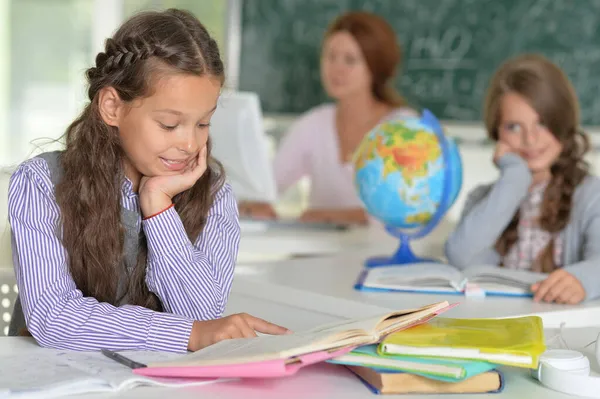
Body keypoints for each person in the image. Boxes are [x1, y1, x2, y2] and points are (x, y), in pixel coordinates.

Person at [7, 9, 288, 351]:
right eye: (170, 125)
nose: (189, 144)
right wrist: (185, 334)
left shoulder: (213, 195)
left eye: (203, 124)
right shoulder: (40, 184)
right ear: (112, 107)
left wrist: (158, 209)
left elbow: (201, 314)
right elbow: (54, 317)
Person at [445, 54, 600, 305]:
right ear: (497, 131)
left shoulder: (592, 195)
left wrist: (581, 279)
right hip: (497, 327)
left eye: (542, 123)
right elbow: (461, 256)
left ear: (562, 122)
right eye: (514, 127)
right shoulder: (484, 199)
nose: (530, 140)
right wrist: (515, 179)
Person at [240, 11, 416, 225]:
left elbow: (407, 210)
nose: (337, 69)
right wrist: (254, 205)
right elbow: (268, 185)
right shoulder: (314, 123)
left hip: (383, 255)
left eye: (350, 60)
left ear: (375, 67)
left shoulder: (403, 128)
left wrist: (331, 216)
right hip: (320, 255)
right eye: (330, 56)